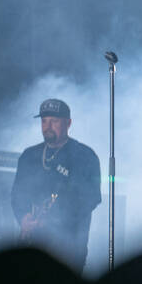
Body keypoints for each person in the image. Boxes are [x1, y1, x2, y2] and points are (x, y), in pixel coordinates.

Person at [11, 98, 102, 272]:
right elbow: (17, 194)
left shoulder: (85, 156)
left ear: (68, 123)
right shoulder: (29, 155)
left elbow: (91, 198)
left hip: (69, 248)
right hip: (32, 245)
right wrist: (24, 218)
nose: (47, 126)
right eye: (44, 121)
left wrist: (54, 220)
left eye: (54, 121)